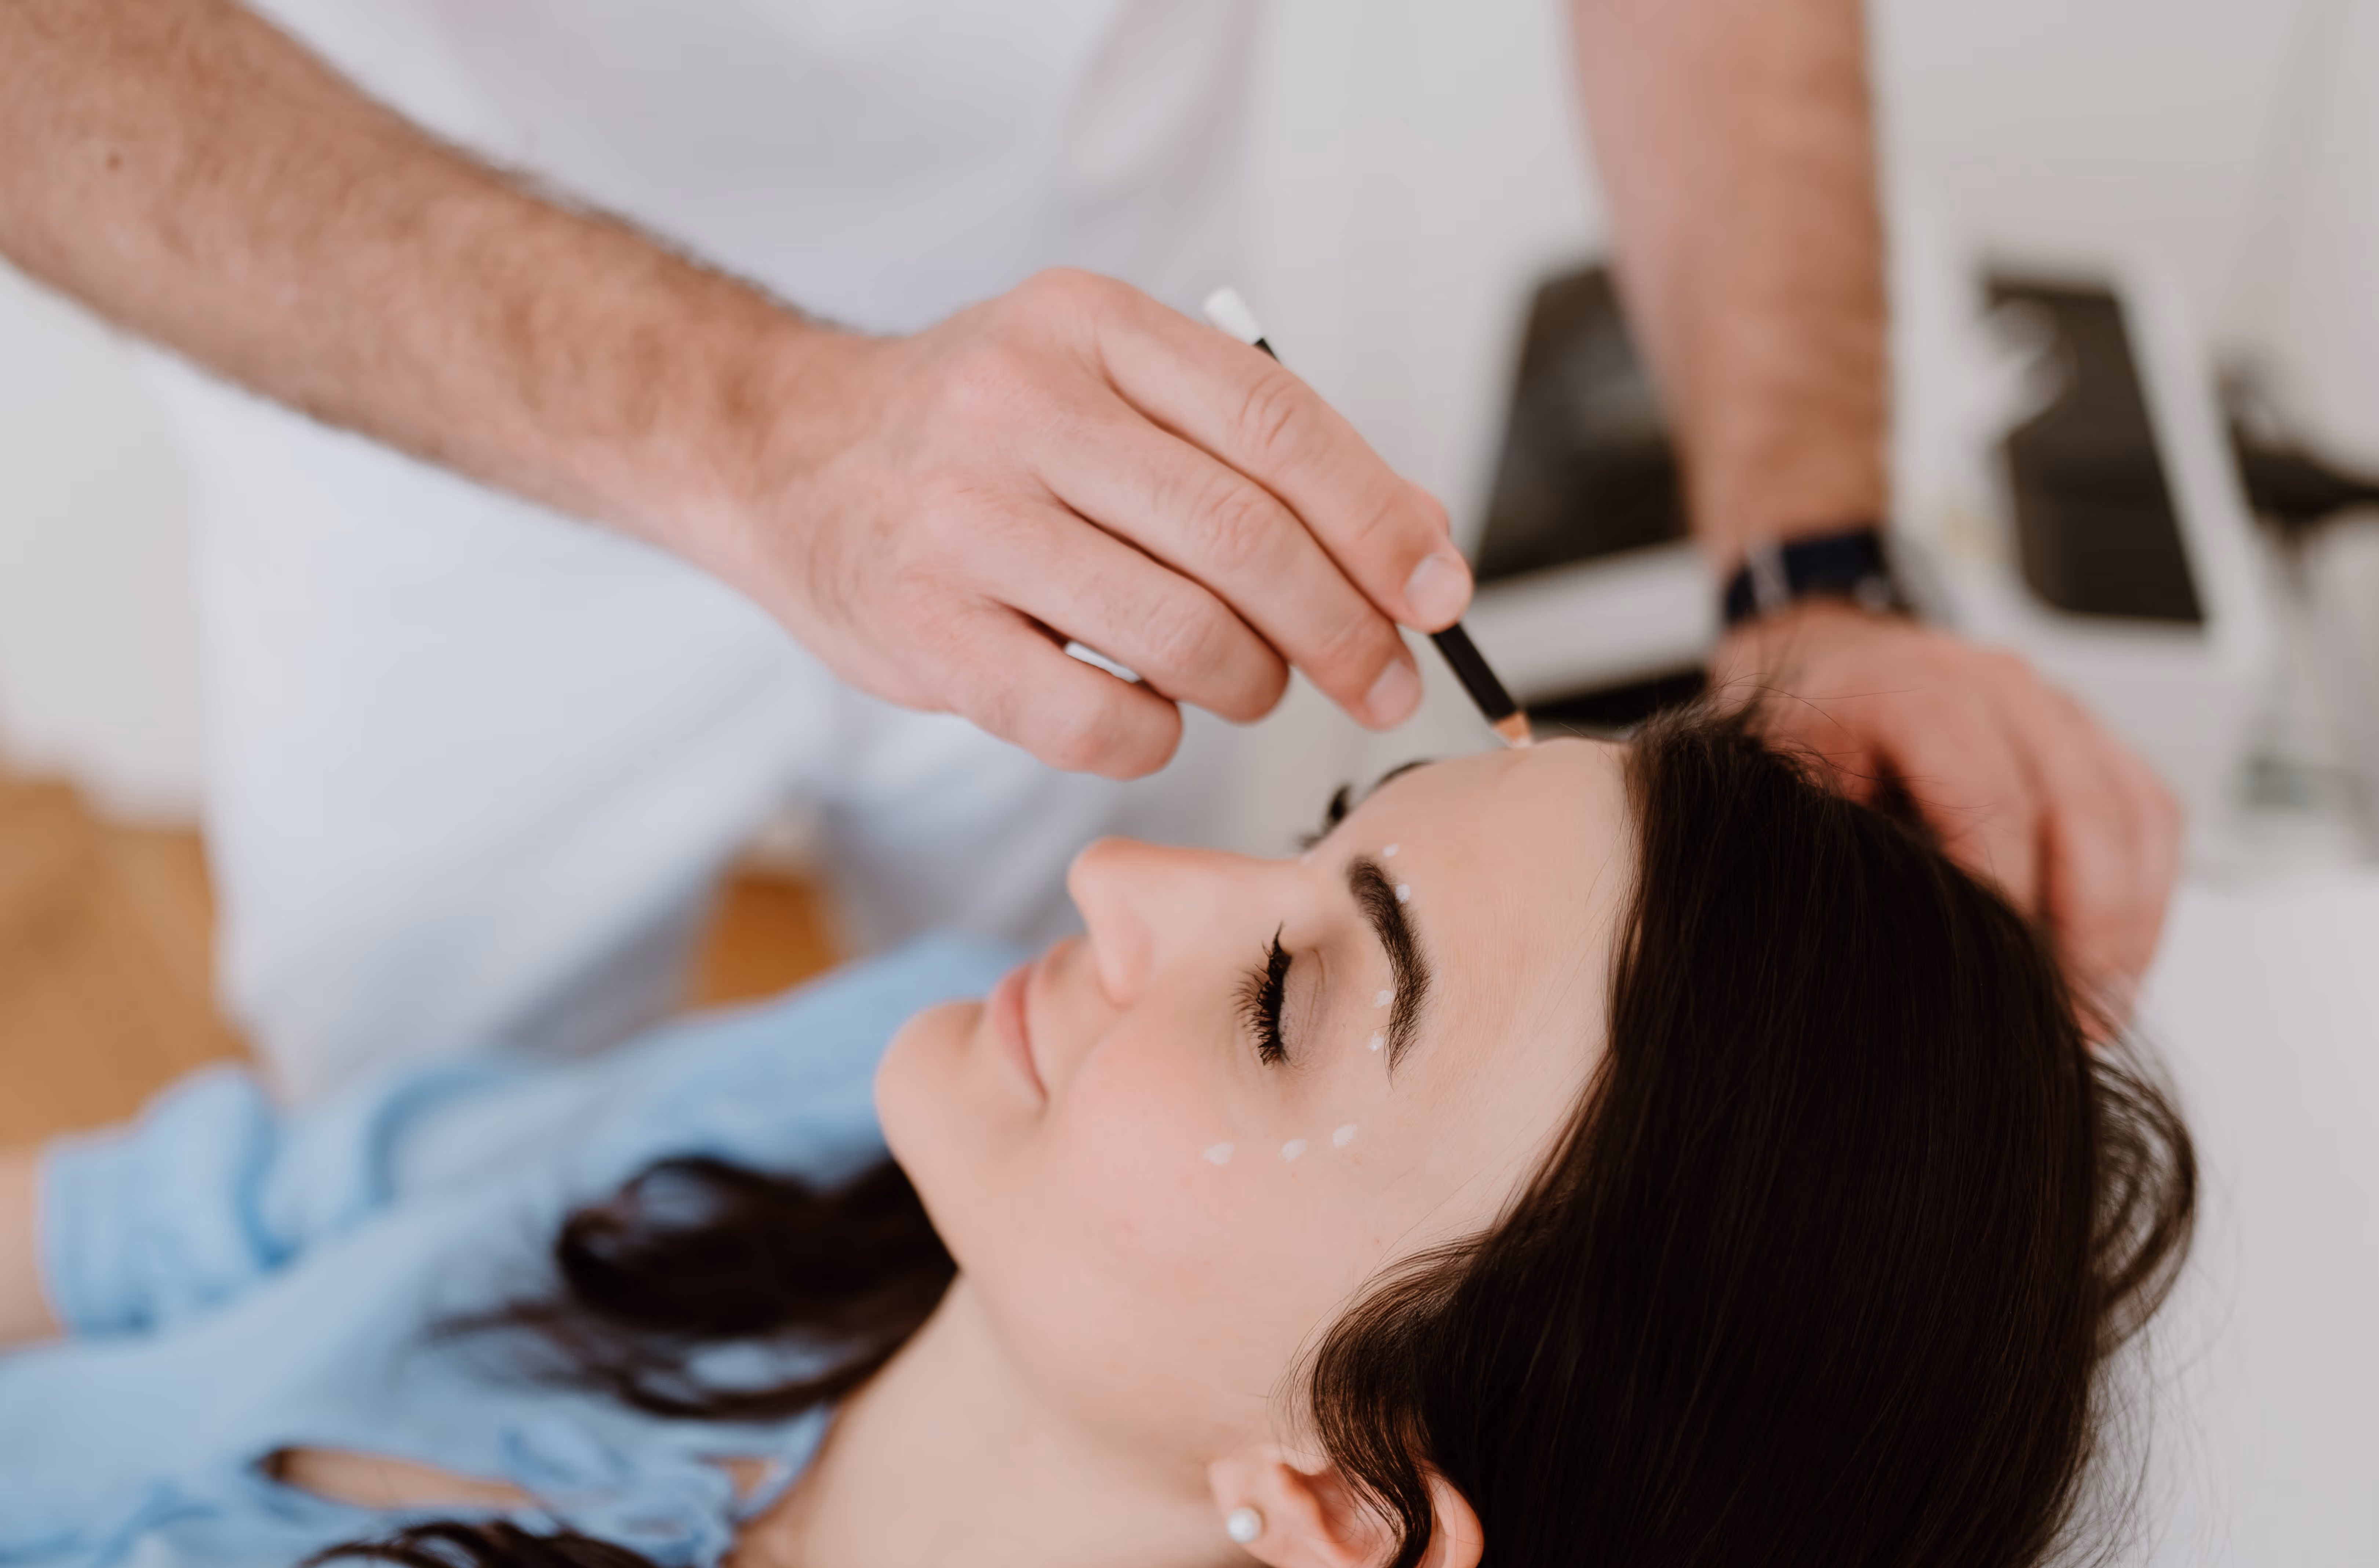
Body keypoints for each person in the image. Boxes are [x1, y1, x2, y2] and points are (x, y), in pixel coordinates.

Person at [0, 1, 2180, 1097]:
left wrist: (1809, 571)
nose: (1167, 892)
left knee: (1006, 1052)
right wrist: (767, 427)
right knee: (434, 1141)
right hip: (451, 424)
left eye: (1324, 964)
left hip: (1119, 437)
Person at [0, 706, 2195, 1568]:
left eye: (1281, 1000)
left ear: (1347, 1490)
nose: (1125, 881)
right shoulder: (874, 1094)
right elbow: (176, 1230)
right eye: (1336, 831)